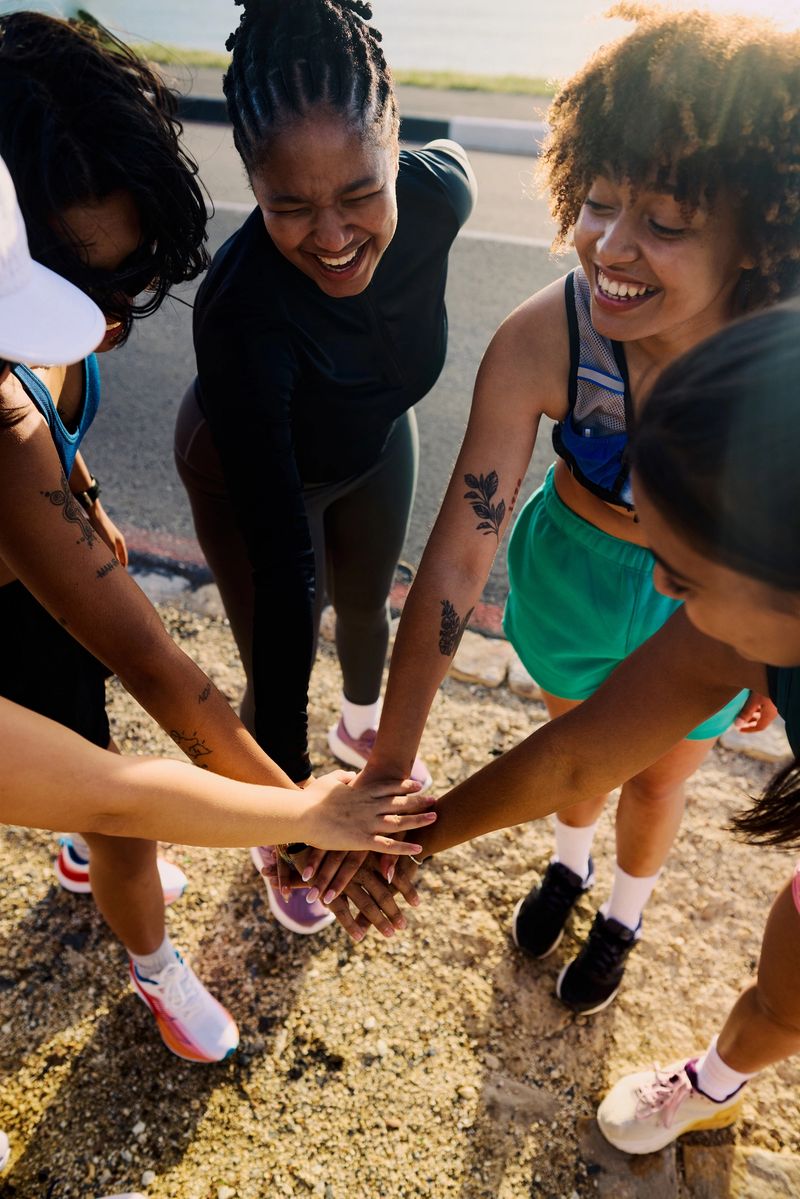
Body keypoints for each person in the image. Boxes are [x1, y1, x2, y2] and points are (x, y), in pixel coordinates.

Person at [327, 5, 799, 1002]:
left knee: (662, 776)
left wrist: (767, 638)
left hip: (717, 612)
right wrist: (391, 787)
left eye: (665, 223)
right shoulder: (549, 335)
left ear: (760, 237)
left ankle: (622, 912)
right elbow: (456, 562)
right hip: (571, 576)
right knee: (578, 756)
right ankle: (566, 863)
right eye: (594, 201)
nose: (607, 248)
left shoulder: (778, 371)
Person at [0, 14, 431, 1063]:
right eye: (77, 290)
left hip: (28, 560)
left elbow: (150, 657)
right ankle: (151, 964)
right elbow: (129, 762)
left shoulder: (33, 366)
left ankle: (116, 902)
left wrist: (286, 815)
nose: (106, 324)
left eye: (131, 286)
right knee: (111, 802)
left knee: (105, 782)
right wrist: (295, 819)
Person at [376, 302, 800, 1154]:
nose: (668, 598)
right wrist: (403, 837)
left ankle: (655, 973)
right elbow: (577, 756)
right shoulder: (740, 624)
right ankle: (715, 1071)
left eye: (683, 569)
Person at [174, 0, 476, 933]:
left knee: (369, 610)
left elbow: (450, 168)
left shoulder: (443, 193)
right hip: (256, 476)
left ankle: (359, 729)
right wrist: (305, 815)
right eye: (288, 207)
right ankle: (277, 820)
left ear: (395, 144)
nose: (333, 235)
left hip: (378, 432)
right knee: (285, 639)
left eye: (358, 192)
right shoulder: (239, 315)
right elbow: (282, 560)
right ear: (253, 188)